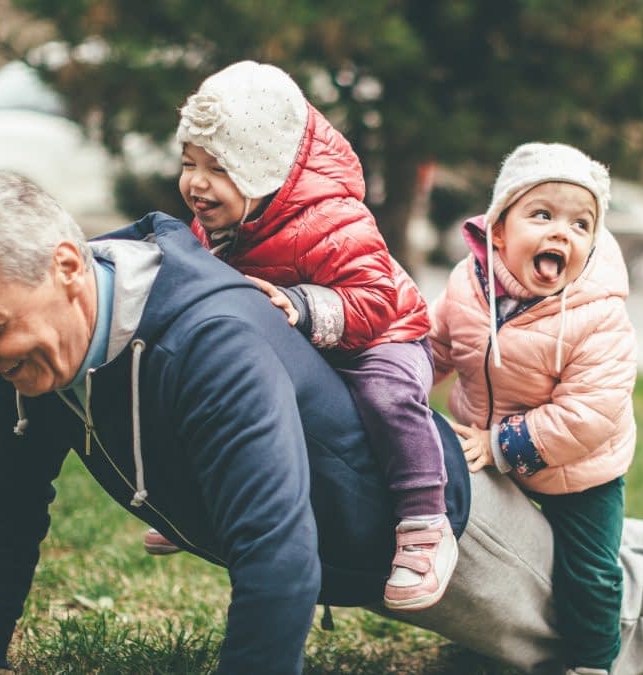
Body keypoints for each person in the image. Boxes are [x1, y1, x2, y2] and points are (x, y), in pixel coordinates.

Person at [0, 171, 643, 675]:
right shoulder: (45, 341)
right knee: (605, 568)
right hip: (384, 525)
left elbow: (278, 560)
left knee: (623, 617)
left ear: (68, 267)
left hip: (437, 530)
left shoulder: (204, 339)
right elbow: (6, 493)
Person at [165, 60, 453, 611]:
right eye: (188, 162)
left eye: (218, 169)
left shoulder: (334, 218)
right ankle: (202, 499)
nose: (196, 183)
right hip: (304, 336)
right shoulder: (221, 222)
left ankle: (424, 520)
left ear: (264, 170)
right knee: (223, 388)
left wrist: (298, 305)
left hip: (383, 334)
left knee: (384, 396)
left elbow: (375, 300)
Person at [430, 141, 632, 673]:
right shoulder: (467, 287)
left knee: (589, 571)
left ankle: (593, 659)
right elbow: (436, 345)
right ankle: (493, 634)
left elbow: (590, 413)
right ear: (498, 229)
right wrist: (398, 381)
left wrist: (499, 446)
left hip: (579, 468)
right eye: (542, 215)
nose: (562, 232)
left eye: (581, 224)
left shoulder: (598, 314)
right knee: (492, 551)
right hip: (487, 443)